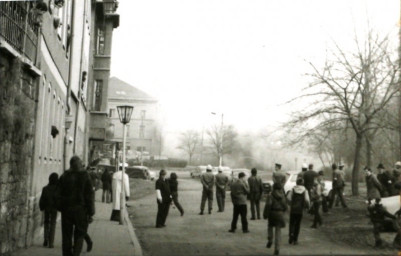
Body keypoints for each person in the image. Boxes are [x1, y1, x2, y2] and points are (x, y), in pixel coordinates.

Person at [57, 156, 95, 256]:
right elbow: (89, 195)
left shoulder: (64, 176)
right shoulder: (85, 176)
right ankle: (76, 254)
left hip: (67, 210)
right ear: (79, 165)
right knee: (79, 235)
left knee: (66, 236)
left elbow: (58, 193)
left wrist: (60, 207)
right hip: (81, 210)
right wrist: (91, 212)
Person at [264, 183, 288, 256]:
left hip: (272, 213)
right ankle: (277, 249)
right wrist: (283, 211)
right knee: (278, 231)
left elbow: (268, 205)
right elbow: (285, 206)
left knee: (270, 226)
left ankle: (270, 239)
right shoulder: (283, 196)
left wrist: (265, 214)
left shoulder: (270, 196)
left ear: (273, 188)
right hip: (280, 213)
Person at [287, 178, 310, 245]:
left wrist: (290, 204)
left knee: (291, 223)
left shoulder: (293, 189)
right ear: (302, 183)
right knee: (297, 224)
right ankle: (295, 239)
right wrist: (307, 206)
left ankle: (291, 233)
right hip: (300, 209)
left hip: (293, 209)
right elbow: (307, 200)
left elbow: (288, 198)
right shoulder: (305, 190)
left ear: (296, 182)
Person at [39, 173, 59, 248]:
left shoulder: (45, 188)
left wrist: (41, 207)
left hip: (47, 208)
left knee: (46, 223)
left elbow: (42, 199)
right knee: (53, 224)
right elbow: (59, 199)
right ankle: (51, 243)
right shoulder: (57, 188)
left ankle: (45, 239)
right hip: (54, 208)